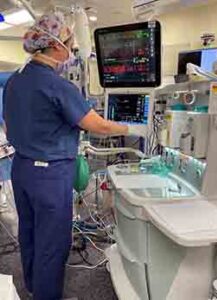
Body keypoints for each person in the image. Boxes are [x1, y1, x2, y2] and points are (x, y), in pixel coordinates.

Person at [3, 12, 144, 300]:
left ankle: (33, 288)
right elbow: (98, 125)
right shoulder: (57, 85)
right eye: (70, 42)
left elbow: (15, 120)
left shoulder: (17, 80)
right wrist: (135, 127)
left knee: (29, 233)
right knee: (52, 241)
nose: (72, 49)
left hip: (22, 168)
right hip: (49, 175)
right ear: (55, 45)